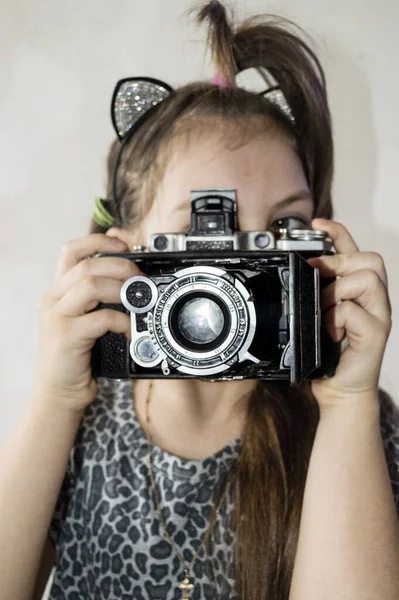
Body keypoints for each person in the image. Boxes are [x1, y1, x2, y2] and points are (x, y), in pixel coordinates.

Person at [1, 2, 398, 599]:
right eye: (204, 231)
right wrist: (56, 397)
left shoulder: (355, 423)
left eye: (281, 228)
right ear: (125, 255)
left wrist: (347, 405)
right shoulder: (81, 424)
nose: (242, 268)